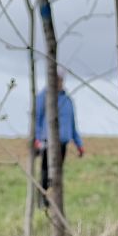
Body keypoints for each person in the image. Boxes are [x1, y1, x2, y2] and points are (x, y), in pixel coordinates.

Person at [33, 72, 83, 208]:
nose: (59, 83)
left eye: (61, 81)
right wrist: (37, 138)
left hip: (63, 142)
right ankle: (43, 202)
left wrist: (79, 144)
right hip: (47, 142)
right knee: (46, 172)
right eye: (57, 80)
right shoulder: (43, 97)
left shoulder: (67, 100)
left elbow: (72, 124)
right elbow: (37, 119)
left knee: (57, 173)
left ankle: (55, 201)